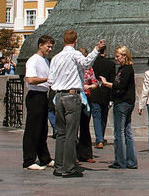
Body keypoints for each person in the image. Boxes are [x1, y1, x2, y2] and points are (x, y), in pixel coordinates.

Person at [46, 30, 105, 178]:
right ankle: (69, 167)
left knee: (61, 133)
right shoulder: (75, 54)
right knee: (71, 134)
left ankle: (58, 166)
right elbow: (86, 64)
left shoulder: (56, 57)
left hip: (58, 96)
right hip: (72, 96)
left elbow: (50, 79)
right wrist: (97, 49)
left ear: (63, 40)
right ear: (76, 41)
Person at [99, 45, 137, 170]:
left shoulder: (126, 70)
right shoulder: (125, 69)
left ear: (124, 56)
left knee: (119, 133)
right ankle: (131, 161)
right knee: (127, 132)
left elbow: (119, 86)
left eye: (117, 56)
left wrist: (106, 84)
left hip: (122, 102)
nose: (115, 58)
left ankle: (120, 160)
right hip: (127, 103)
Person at [22, 35, 55, 170]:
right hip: (35, 95)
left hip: (43, 95)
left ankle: (44, 158)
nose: (50, 49)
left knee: (42, 129)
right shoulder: (33, 60)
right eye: (48, 46)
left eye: (51, 47)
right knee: (32, 129)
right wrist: (47, 79)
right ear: (40, 45)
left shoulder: (45, 61)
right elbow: (30, 79)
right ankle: (29, 160)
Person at [90, 45, 115, 149]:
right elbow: (112, 80)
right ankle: (101, 137)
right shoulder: (110, 64)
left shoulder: (92, 63)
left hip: (94, 91)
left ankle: (99, 139)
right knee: (104, 115)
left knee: (96, 116)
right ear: (105, 52)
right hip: (106, 92)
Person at [76, 47, 96, 164]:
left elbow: (94, 83)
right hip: (75, 98)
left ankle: (85, 153)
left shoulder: (89, 69)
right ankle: (73, 153)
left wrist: (89, 87)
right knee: (73, 128)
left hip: (86, 100)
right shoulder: (73, 68)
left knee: (84, 127)